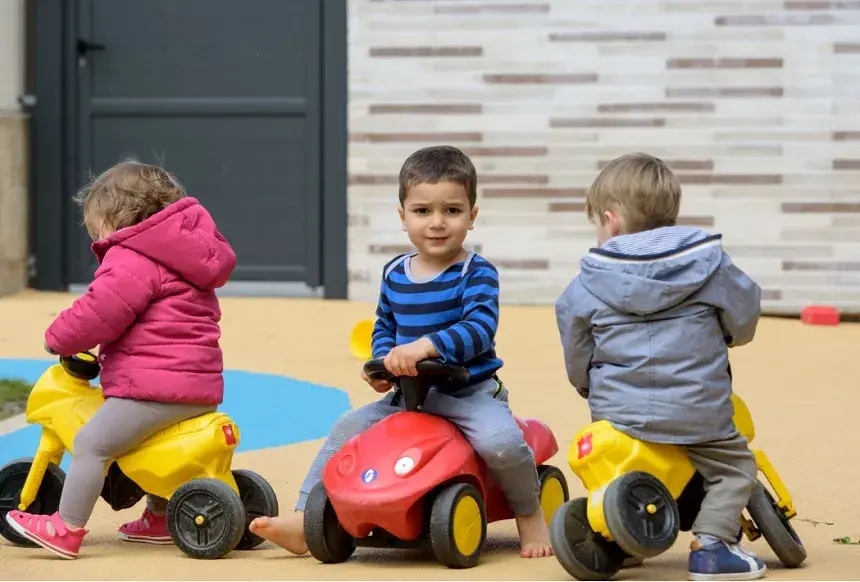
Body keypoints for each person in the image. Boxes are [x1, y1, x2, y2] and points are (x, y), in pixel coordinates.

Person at [249, 145, 553, 558]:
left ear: (472, 215)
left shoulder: (476, 273)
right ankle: (306, 518)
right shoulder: (395, 272)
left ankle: (530, 513)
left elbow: (479, 329)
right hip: (407, 397)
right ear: (403, 216)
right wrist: (381, 365)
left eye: (452, 210)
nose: (437, 223)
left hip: (469, 393)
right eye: (423, 211)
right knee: (346, 428)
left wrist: (426, 346)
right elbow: (385, 326)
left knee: (501, 441)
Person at [5, 159, 236, 559]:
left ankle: (66, 527)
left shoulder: (132, 256)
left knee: (92, 443)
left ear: (119, 217)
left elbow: (101, 311)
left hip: (154, 390)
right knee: (150, 448)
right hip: (196, 387)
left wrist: (58, 336)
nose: (97, 238)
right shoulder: (186, 257)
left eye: (97, 229)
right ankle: (163, 516)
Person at [555, 153, 766, 581]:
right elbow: (744, 315)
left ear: (610, 221)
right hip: (699, 411)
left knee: (617, 464)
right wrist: (729, 336)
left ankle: (621, 532)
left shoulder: (586, 283)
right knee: (735, 467)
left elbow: (577, 349)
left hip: (620, 414)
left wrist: (586, 387)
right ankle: (713, 545)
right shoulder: (709, 265)